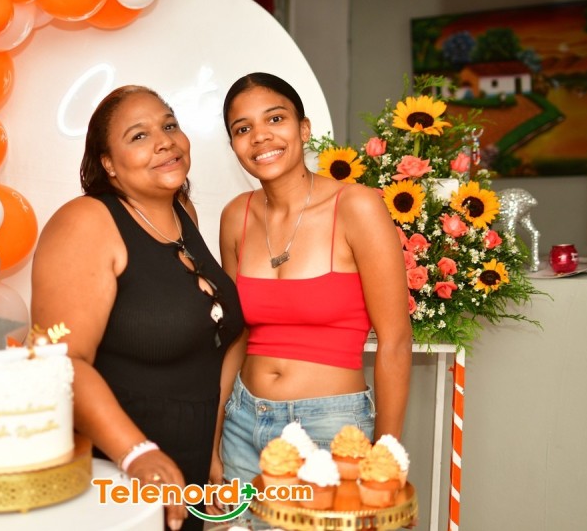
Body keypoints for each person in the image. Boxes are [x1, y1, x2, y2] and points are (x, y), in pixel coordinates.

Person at [30, 85, 245, 531]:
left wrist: (212, 446)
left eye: (169, 125)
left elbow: (218, 341)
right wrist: (136, 453)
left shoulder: (182, 213)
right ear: (108, 163)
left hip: (188, 464)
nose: (164, 141)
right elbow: (61, 361)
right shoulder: (85, 222)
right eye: (139, 135)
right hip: (119, 472)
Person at [210, 72, 412, 490]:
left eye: (275, 119)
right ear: (233, 146)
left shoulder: (356, 207)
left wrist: (386, 456)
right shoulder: (236, 216)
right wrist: (211, 440)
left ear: (304, 129)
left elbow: (395, 339)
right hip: (242, 423)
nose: (260, 136)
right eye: (243, 129)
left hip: (331, 430)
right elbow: (234, 336)